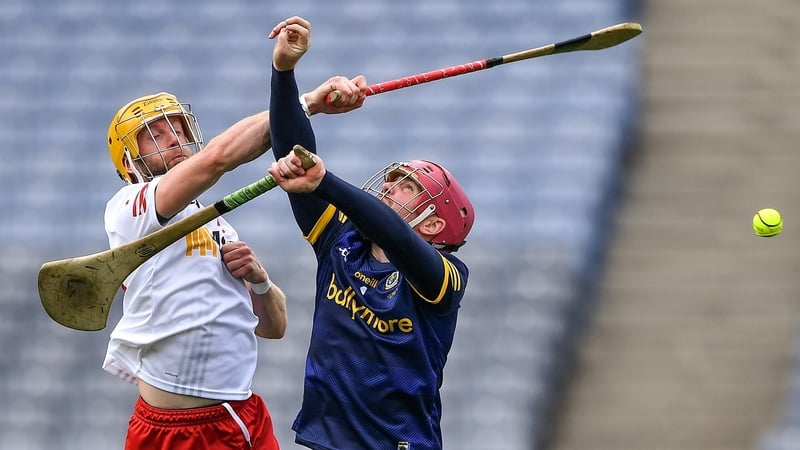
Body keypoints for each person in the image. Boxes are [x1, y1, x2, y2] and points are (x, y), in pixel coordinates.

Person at [102, 20, 364, 450]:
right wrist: (308, 102)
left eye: (179, 128)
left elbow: (275, 326)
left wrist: (259, 280)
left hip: (237, 414)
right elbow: (218, 159)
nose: (175, 140)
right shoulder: (132, 208)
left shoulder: (217, 223)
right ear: (131, 163)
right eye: (156, 135)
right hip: (172, 429)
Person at [267, 17, 475, 450]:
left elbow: (399, 239)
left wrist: (325, 183)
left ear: (435, 225)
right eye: (393, 179)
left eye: (407, 187)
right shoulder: (340, 241)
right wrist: (284, 72)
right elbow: (295, 156)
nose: (388, 188)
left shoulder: (445, 278)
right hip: (323, 442)